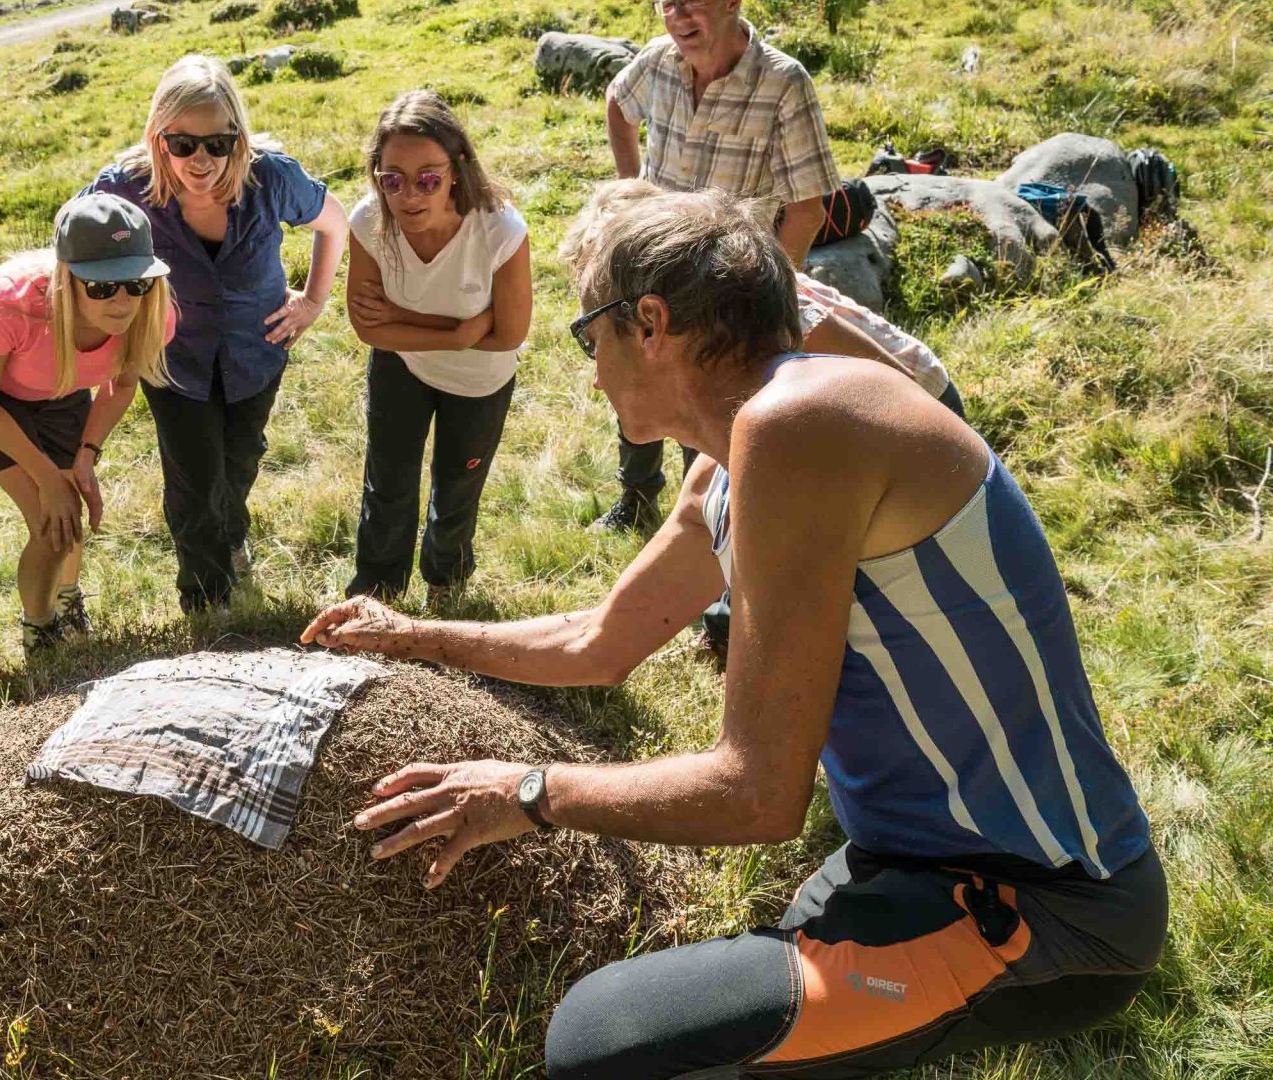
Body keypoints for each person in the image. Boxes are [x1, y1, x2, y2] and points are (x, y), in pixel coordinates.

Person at [301, 191, 1163, 1077]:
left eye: (588, 335)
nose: (591, 370)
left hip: (1047, 903)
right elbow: (601, 642)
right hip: (909, 862)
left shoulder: (803, 424)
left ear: (651, 323)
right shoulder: (732, 458)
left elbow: (757, 794)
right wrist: (418, 635)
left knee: (599, 1043)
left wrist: (524, 792)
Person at [568, 178, 966, 649]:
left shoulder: (782, 332)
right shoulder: (728, 368)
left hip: (918, 400)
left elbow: (890, 388)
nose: (595, 375)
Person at [84, 54, 348, 613]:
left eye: (216, 143)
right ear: (160, 138)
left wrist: (314, 302)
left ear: (237, 138)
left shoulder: (271, 178)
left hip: (258, 353)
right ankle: (206, 601)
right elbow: (70, 251)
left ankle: (230, 541)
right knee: (194, 479)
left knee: (239, 462)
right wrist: (109, 321)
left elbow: (334, 222)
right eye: (182, 144)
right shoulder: (125, 189)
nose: (199, 159)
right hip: (172, 359)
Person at [596, 0, 842, 533]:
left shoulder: (782, 82)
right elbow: (618, 102)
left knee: (708, 411)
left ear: (732, 3)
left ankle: (708, 529)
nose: (679, 16)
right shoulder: (659, 61)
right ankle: (636, 497)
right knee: (635, 379)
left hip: (722, 287)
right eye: (668, 4)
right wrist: (629, 191)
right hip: (648, 259)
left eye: (693, 2)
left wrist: (769, 289)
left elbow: (805, 209)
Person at [0, 193, 177, 653]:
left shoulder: (153, 314)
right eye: (102, 287)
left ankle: (67, 596)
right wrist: (46, 477)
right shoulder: (9, 306)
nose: (122, 301)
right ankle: (39, 630)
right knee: (51, 519)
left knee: (71, 509)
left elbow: (121, 387)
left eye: (135, 283)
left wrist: (85, 458)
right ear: (67, 278)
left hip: (59, 384)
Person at [344, 90, 532, 601]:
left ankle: (445, 582)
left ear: (457, 169)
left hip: (480, 381)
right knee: (388, 483)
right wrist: (455, 332)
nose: (409, 196)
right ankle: (376, 590)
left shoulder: (499, 230)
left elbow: (508, 337)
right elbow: (368, 329)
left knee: (456, 489)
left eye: (428, 178)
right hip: (402, 366)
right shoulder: (367, 222)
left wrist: (402, 316)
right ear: (376, 175)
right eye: (392, 180)